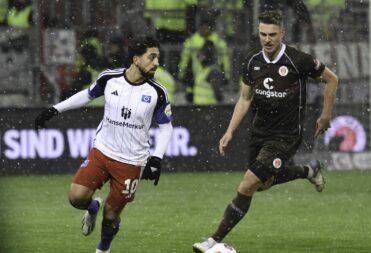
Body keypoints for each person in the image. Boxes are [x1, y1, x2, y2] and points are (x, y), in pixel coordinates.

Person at [192, 10, 338, 252]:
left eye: (272, 34)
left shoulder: (298, 60)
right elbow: (245, 98)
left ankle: (214, 241)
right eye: (263, 34)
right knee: (264, 183)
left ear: (282, 33)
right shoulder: (252, 61)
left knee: (248, 184)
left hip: (286, 136)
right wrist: (229, 131)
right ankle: (308, 171)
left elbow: (332, 79)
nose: (267, 39)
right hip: (259, 134)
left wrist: (325, 115)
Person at [34, 35, 173, 253]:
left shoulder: (157, 92)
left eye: (158, 58)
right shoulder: (110, 78)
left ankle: (103, 249)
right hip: (102, 151)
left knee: (111, 215)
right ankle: (92, 206)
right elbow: (87, 95)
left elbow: (165, 127)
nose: (156, 63)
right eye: (151, 57)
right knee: (76, 197)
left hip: (131, 161)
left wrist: (156, 158)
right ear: (136, 59)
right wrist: (54, 109)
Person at [178, 13, 230, 103]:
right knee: (196, 95)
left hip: (210, 72)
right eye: (203, 27)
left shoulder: (217, 41)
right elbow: (185, 59)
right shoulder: (192, 40)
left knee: (209, 93)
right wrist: (182, 73)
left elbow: (225, 59)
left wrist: (226, 75)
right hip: (196, 74)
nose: (205, 29)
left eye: (207, 27)